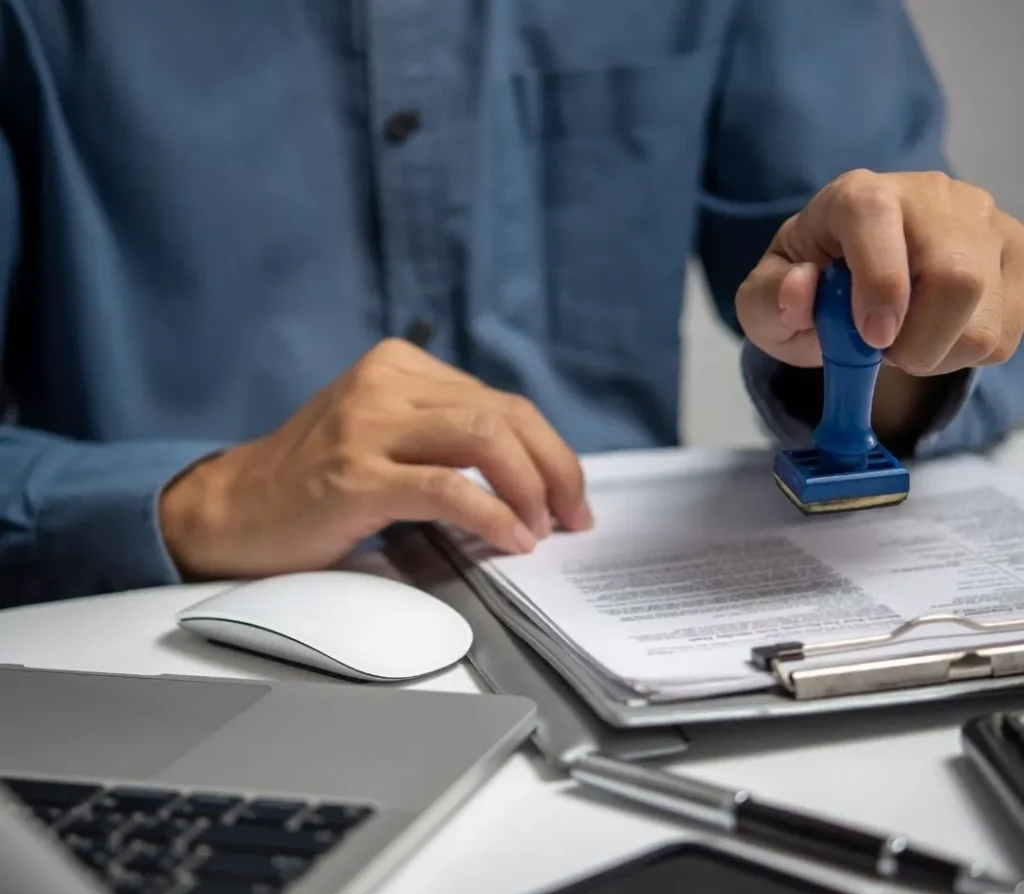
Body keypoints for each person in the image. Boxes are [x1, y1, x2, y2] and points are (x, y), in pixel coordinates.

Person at [2, 0, 1023, 608]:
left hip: (629, 627)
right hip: (148, 629)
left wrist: (894, 350)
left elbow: (949, 338)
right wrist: (205, 500)